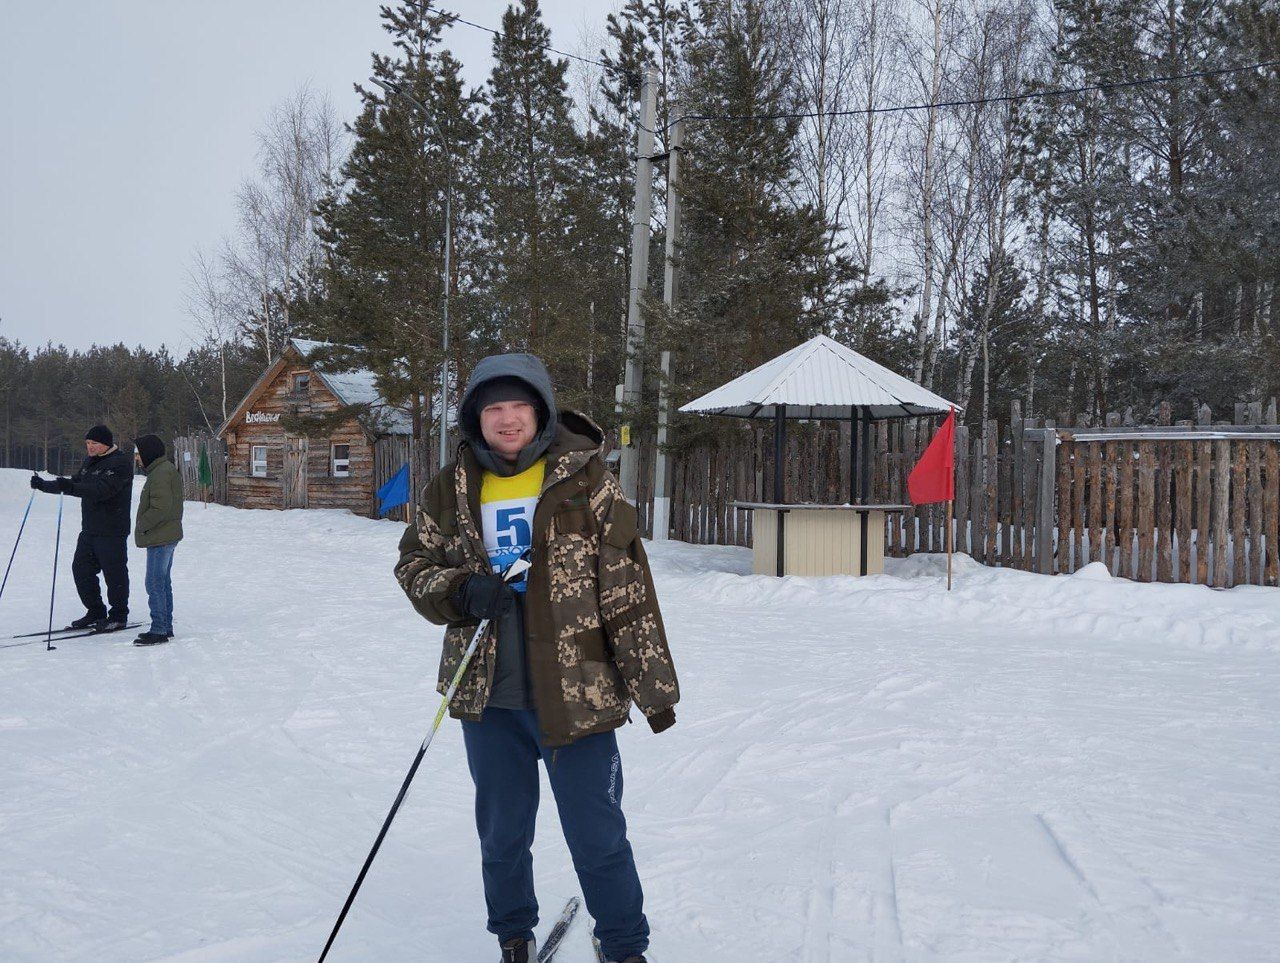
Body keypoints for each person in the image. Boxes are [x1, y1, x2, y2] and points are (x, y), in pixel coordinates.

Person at [395, 354, 679, 963]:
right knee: (502, 836)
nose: (506, 418)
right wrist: (460, 591)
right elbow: (413, 564)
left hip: (580, 696)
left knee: (598, 836)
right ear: (477, 416)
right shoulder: (451, 486)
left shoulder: (588, 482)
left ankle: (625, 946)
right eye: (493, 407)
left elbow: (628, 590)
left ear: (541, 412)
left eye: (518, 405)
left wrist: (653, 691)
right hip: (487, 695)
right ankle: (513, 935)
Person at [30, 424, 132, 631]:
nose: (90, 447)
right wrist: (44, 485)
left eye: (94, 443)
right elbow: (74, 483)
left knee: (114, 574)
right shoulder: (90, 463)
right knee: (81, 570)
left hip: (112, 530)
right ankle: (95, 610)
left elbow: (102, 490)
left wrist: (71, 487)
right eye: (87, 443)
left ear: (106, 443)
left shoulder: (119, 463)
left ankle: (118, 615)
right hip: (90, 529)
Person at [131, 434, 183, 646]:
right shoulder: (161, 470)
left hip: (161, 536)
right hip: (165, 534)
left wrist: (142, 524)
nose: (136, 458)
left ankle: (159, 629)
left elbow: (160, 507)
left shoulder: (161, 473)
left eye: (138, 454)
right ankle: (165, 626)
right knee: (162, 582)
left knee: (154, 582)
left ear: (148, 453)